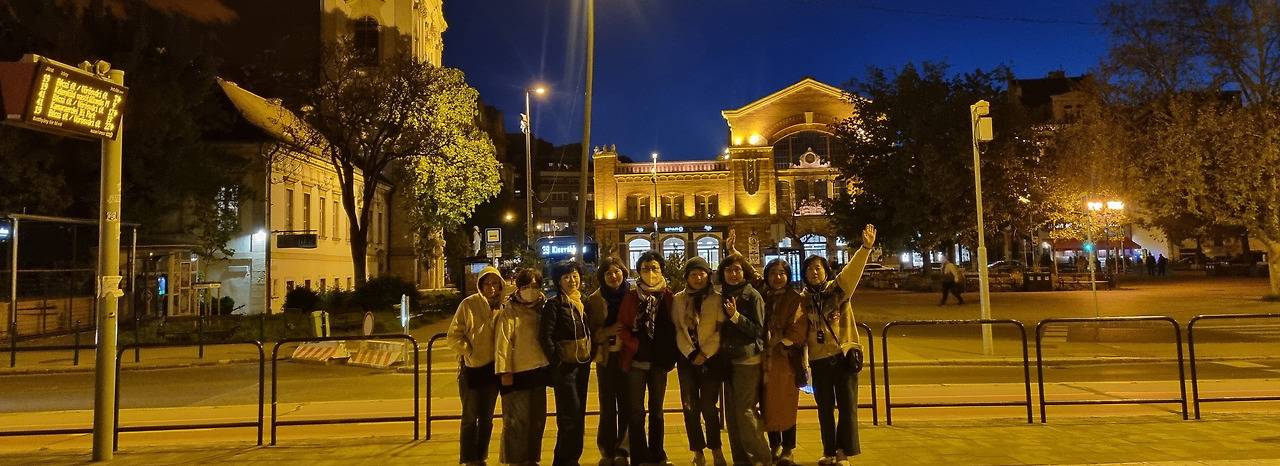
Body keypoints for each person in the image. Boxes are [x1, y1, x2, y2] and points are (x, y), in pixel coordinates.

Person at [804, 224, 876, 466]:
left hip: (843, 356)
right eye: (810, 269)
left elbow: (853, 270)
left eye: (818, 268)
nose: (814, 272)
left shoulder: (839, 290)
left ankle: (843, 452)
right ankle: (828, 451)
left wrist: (865, 248)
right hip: (818, 360)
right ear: (804, 274)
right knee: (824, 409)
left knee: (847, 407)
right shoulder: (803, 300)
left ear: (826, 271)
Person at [618, 251, 679, 466]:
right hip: (636, 362)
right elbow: (622, 327)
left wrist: (670, 357)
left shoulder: (669, 297)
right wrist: (635, 345)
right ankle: (640, 457)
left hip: (659, 363)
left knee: (657, 412)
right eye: (645, 268)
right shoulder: (631, 297)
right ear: (638, 272)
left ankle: (658, 454)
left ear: (661, 270)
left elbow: (675, 328)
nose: (651, 273)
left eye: (655, 268)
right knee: (636, 412)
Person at [716, 253, 773, 466]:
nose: (733, 274)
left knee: (745, 410)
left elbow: (758, 329)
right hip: (728, 359)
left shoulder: (752, 295)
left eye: (737, 270)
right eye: (729, 270)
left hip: (748, 359)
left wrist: (735, 317)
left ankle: (761, 459)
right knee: (732, 413)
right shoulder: (722, 294)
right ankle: (740, 459)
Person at [671, 256, 727, 466]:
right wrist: (691, 353)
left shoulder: (717, 298)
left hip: (711, 359)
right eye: (693, 274)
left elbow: (720, 329)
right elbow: (678, 329)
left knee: (709, 406)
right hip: (687, 360)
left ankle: (716, 448)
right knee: (690, 407)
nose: (698, 278)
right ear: (687, 277)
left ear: (708, 275)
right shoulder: (678, 299)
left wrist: (705, 353)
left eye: (701, 273)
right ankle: (697, 450)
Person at [446, 265, 504, 466]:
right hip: (470, 370)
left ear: (500, 285)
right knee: (470, 417)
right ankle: (469, 458)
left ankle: (481, 456)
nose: (491, 287)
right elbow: (453, 335)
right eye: (487, 283)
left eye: (495, 283)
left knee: (487, 418)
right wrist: (469, 351)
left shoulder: (503, 308)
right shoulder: (469, 304)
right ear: (480, 285)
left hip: (493, 371)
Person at [495, 269, 552, 466]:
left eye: (535, 286)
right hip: (516, 373)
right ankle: (515, 460)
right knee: (516, 421)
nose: (530, 290)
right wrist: (505, 371)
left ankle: (531, 458)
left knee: (537, 420)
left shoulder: (545, 307)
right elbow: (503, 343)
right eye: (526, 286)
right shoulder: (510, 310)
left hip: (539, 371)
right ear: (518, 288)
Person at [540, 260, 594, 466]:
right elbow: (545, 336)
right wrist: (557, 362)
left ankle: (573, 458)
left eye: (574, 275)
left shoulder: (583, 301)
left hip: (582, 364)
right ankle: (563, 460)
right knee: (568, 416)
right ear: (559, 281)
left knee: (579, 413)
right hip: (565, 367)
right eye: (566, 277)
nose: (572, 280)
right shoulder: (554, 304)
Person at [759, 259, 808, 465]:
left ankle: (788, 447)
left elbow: (798, 327)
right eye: (772, 273)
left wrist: (781, 342)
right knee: (768, 403)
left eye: (782, 273)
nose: (777, 278)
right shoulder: (762, 296)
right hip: (764, 359)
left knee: (787, 403)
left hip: (785, 358)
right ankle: (774, 444)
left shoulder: (795, 299)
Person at [586, 257, 633, 466]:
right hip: (606, 358)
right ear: (602, 276)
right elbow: (592, 333)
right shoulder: (595, 299)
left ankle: (623, 450)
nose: (613, 276)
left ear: (623, 272)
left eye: (617, 272)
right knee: (607, 405)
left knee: (627, 403)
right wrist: (609, 331)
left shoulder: (633, 295)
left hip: (628, 356)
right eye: (608, 273)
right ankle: (607, 450)